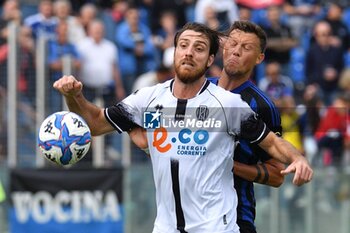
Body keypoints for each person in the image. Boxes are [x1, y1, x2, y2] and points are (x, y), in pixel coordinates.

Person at [54, 22, 313, 233]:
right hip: (165, 227)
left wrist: (298, 159)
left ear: (210, 58)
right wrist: (73, 97)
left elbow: (273, 145)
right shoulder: (148, 98)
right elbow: (97, 124)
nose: (189, 52)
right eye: (183, 45)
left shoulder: (231, 105)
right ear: (175, 52)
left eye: (199, 48)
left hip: (220, 225)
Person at [209, 20, 287, 233]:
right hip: (184, 218)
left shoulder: (262, 106)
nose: (236, 51)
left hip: (235, 219)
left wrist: (229, 165)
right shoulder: (198, 90)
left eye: (246, 48)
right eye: (232, 43)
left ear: (259, 58)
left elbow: (277, 174)